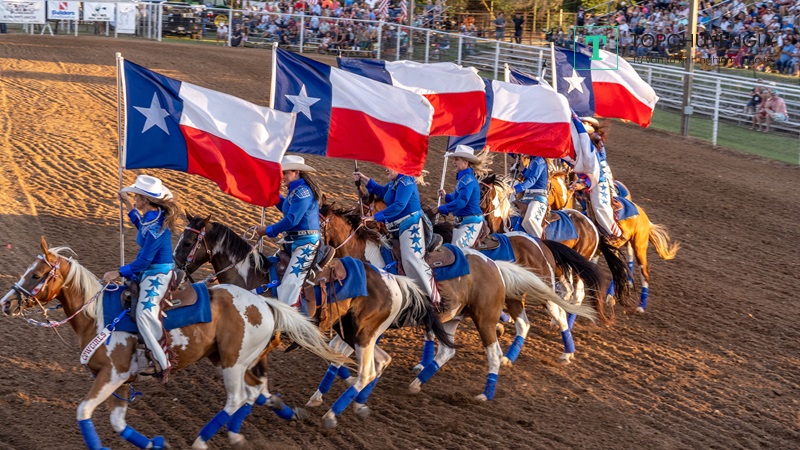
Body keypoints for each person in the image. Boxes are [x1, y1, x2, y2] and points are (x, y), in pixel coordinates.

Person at [102, 175, 178, 377]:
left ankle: (162, 362)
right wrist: (127, 204)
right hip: (148, 270)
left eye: (136, 196)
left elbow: (144, 261)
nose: (135, 198)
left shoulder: (157, 229)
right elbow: (140, 225)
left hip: (158, 273)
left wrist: (117, 272)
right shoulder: (152, 216)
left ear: (146, 200)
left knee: (144, 314)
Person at [353, 168, 441, 304]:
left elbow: (399, 205)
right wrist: (364, 179)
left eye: (390, 166)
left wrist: (374, 217)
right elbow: (382, 192)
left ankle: (433, 300)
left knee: (411, 259)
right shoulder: (395, 182)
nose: (386, 169)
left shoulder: (406, 181)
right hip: (396, 228)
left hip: (411, 226)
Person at [255, 155, 321, 308]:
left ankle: (293, 325)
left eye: (284, 173)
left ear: (296, 172)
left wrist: (267, 230)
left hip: (306, 244)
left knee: (289, 285)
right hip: (293, 242)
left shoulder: (303, 192)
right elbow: (287, 207)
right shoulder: (295, 191)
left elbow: (292, 220)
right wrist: (273, 194)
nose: (281, 177)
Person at [578, 117, 624, 246]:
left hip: (599, 168)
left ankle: (614, 231)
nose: (584, 124)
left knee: (601, 203)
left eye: (586, 123)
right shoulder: (585, 138)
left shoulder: (594, 139)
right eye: (583, 122)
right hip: (587, 170)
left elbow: (598, 161)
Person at [437, 146, 491, 249]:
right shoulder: (465, 179)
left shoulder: (467, 180)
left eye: (456, 159)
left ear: (465, 162)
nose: (454, 162)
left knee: (458, 248)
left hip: (471, 223)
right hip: (464, 222)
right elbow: (456, 198)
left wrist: (441, 209)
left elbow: (461, 202)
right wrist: (446, 196)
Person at [512, 154, 548, 238]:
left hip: (538, 197)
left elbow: (532, 179)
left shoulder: (539, 160)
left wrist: (515, 189)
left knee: (529, 219)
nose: (523, 152)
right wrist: (522, 169)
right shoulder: (533, 160)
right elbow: (528, 175)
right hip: (527, 197)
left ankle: (541, 244)